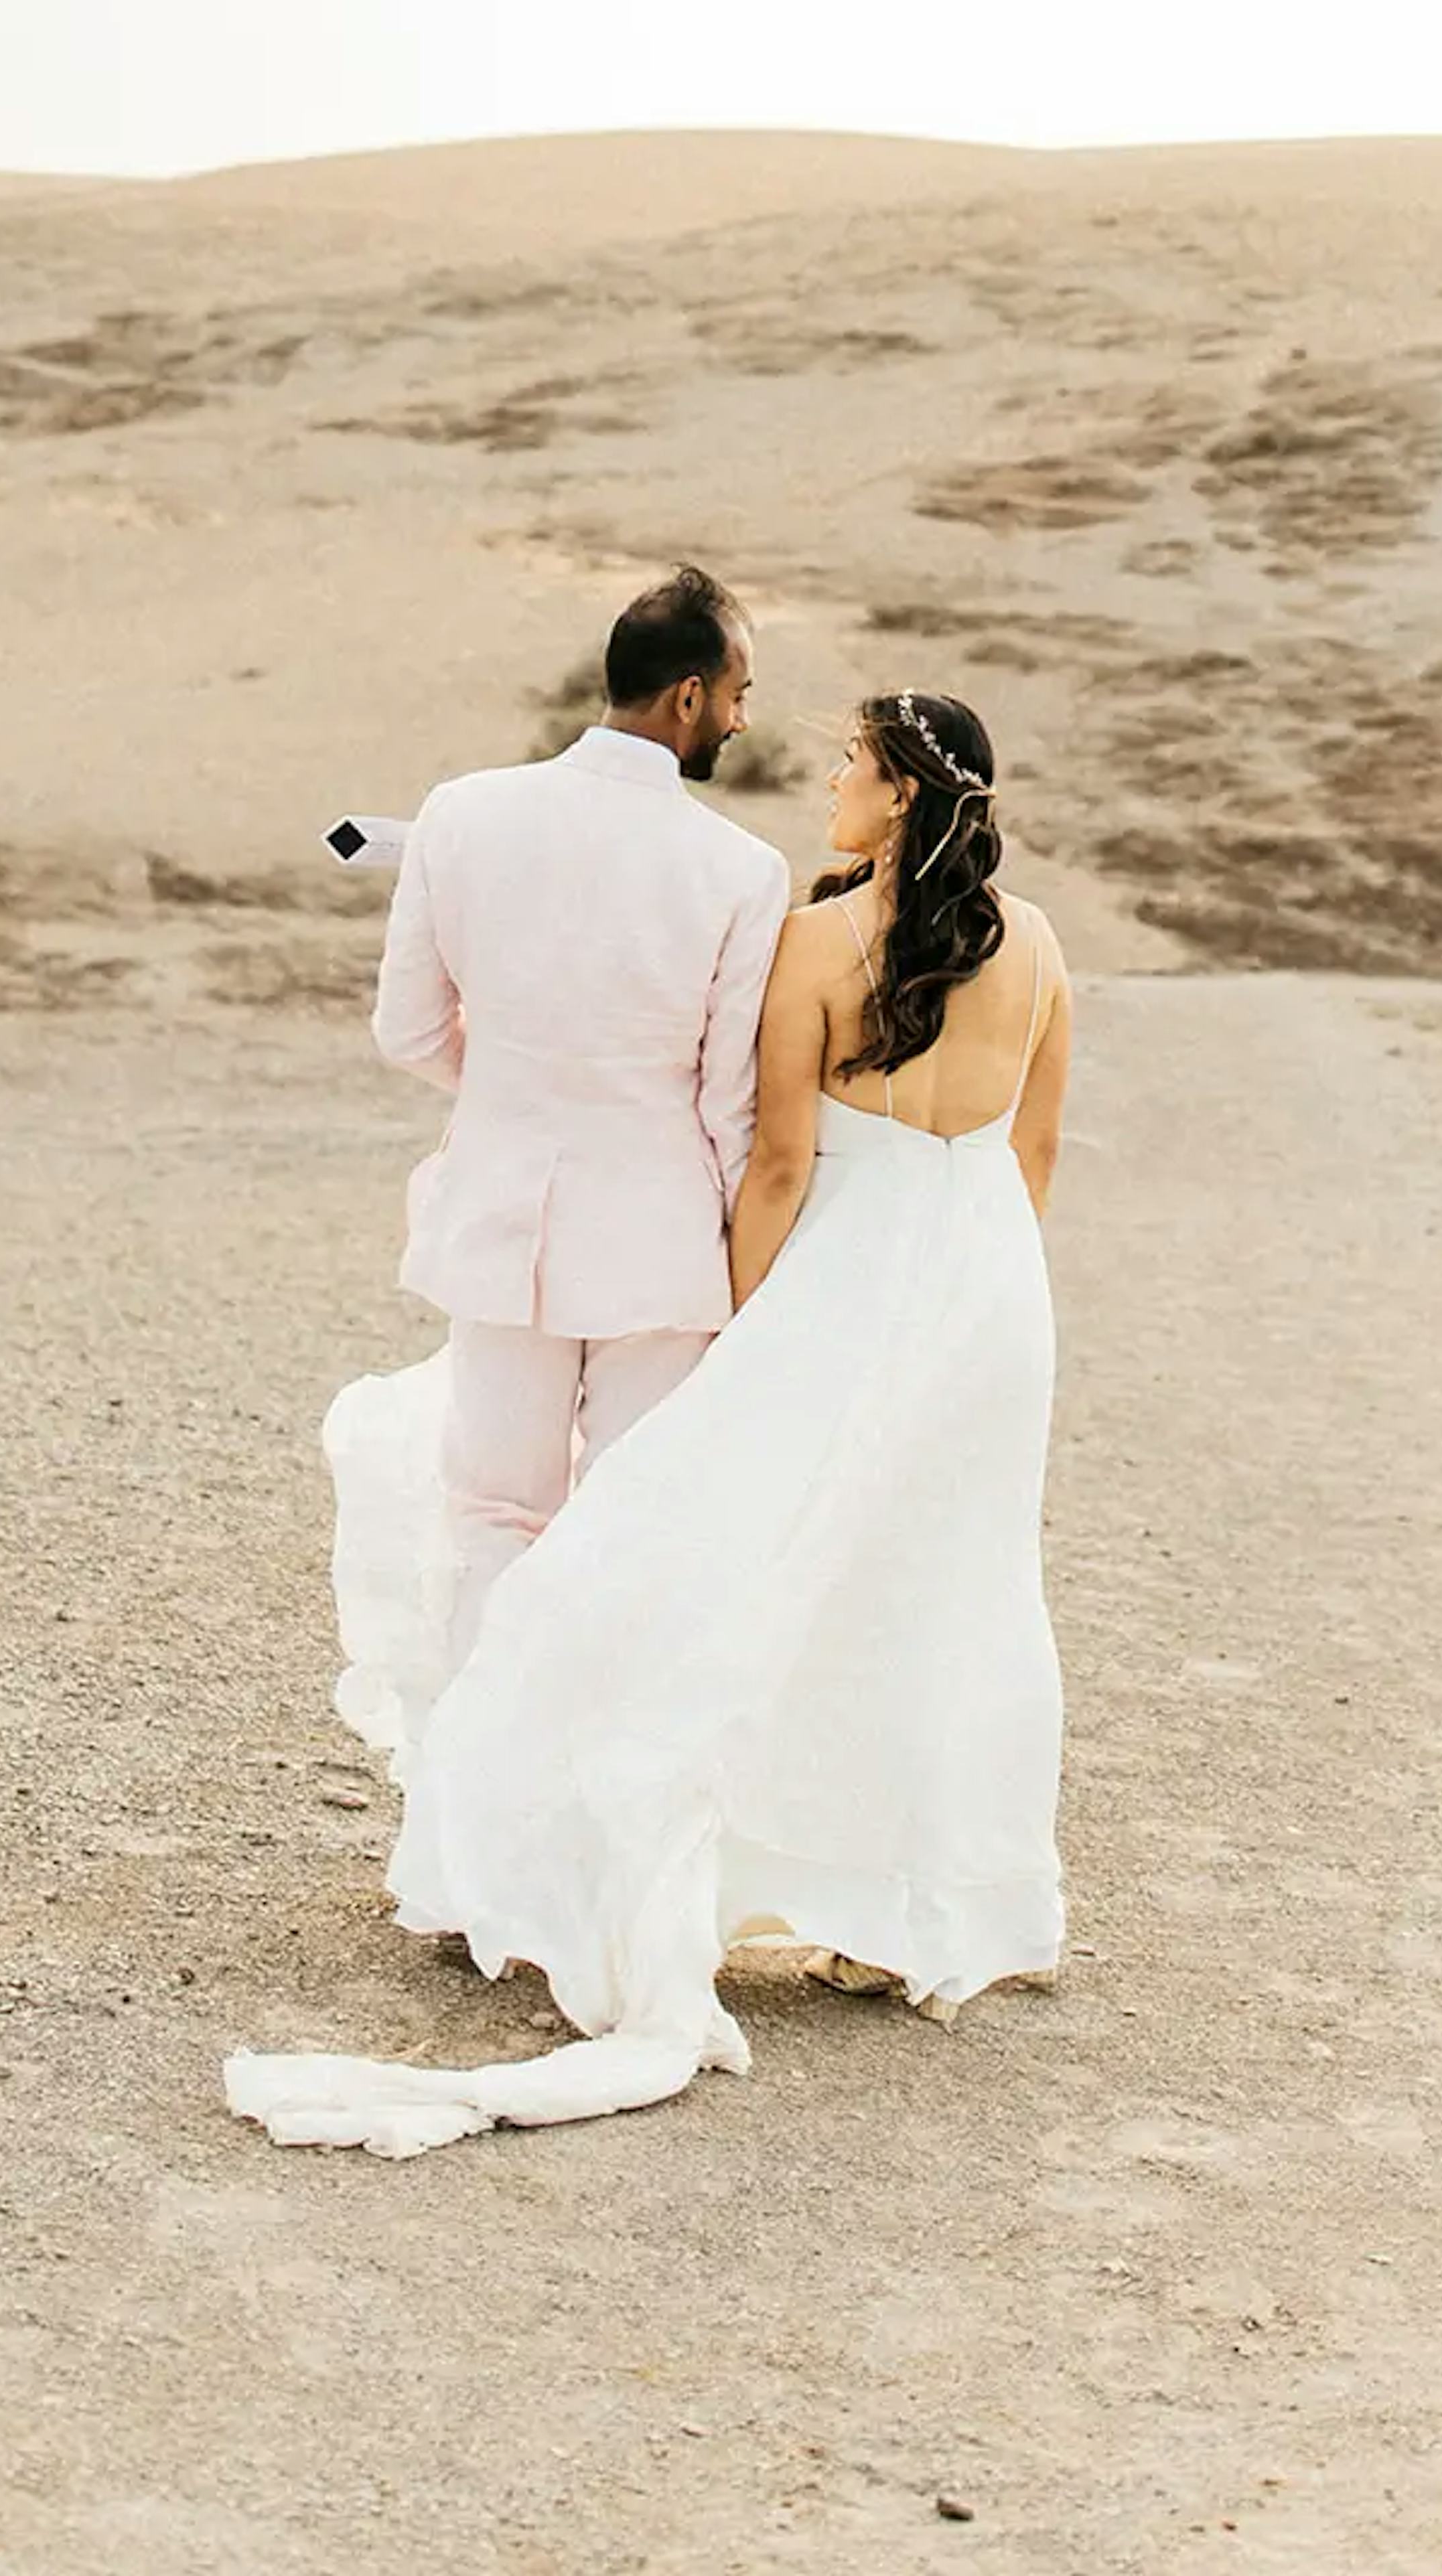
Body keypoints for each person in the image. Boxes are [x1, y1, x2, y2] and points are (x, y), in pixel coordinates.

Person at [226, 686, 1072, 2157]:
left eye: (851, 765)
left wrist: (747, 1321)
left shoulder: (818, 940)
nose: (827, 779)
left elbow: (782, 1163)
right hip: (992, 1294)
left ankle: (578, 1843)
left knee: (704, 1565)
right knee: (945, 1584)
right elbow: (1038, 1147)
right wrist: (971, 1300)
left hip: (838, 1282)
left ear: (899, 797)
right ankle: (921, 1907)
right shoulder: (1044, 943)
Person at [367, 566, 791, 1675]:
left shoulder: (462, 813)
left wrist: (516, 1094)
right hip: (662, 1240)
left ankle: (474, 1785)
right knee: (636, 1513)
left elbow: (407, 1032)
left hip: (503, 1214)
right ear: (691, 697)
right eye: (740, 691)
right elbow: (727, 1103)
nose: (744, 718)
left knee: (493, 1515)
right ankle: (596, 1783)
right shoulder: (744, 872)